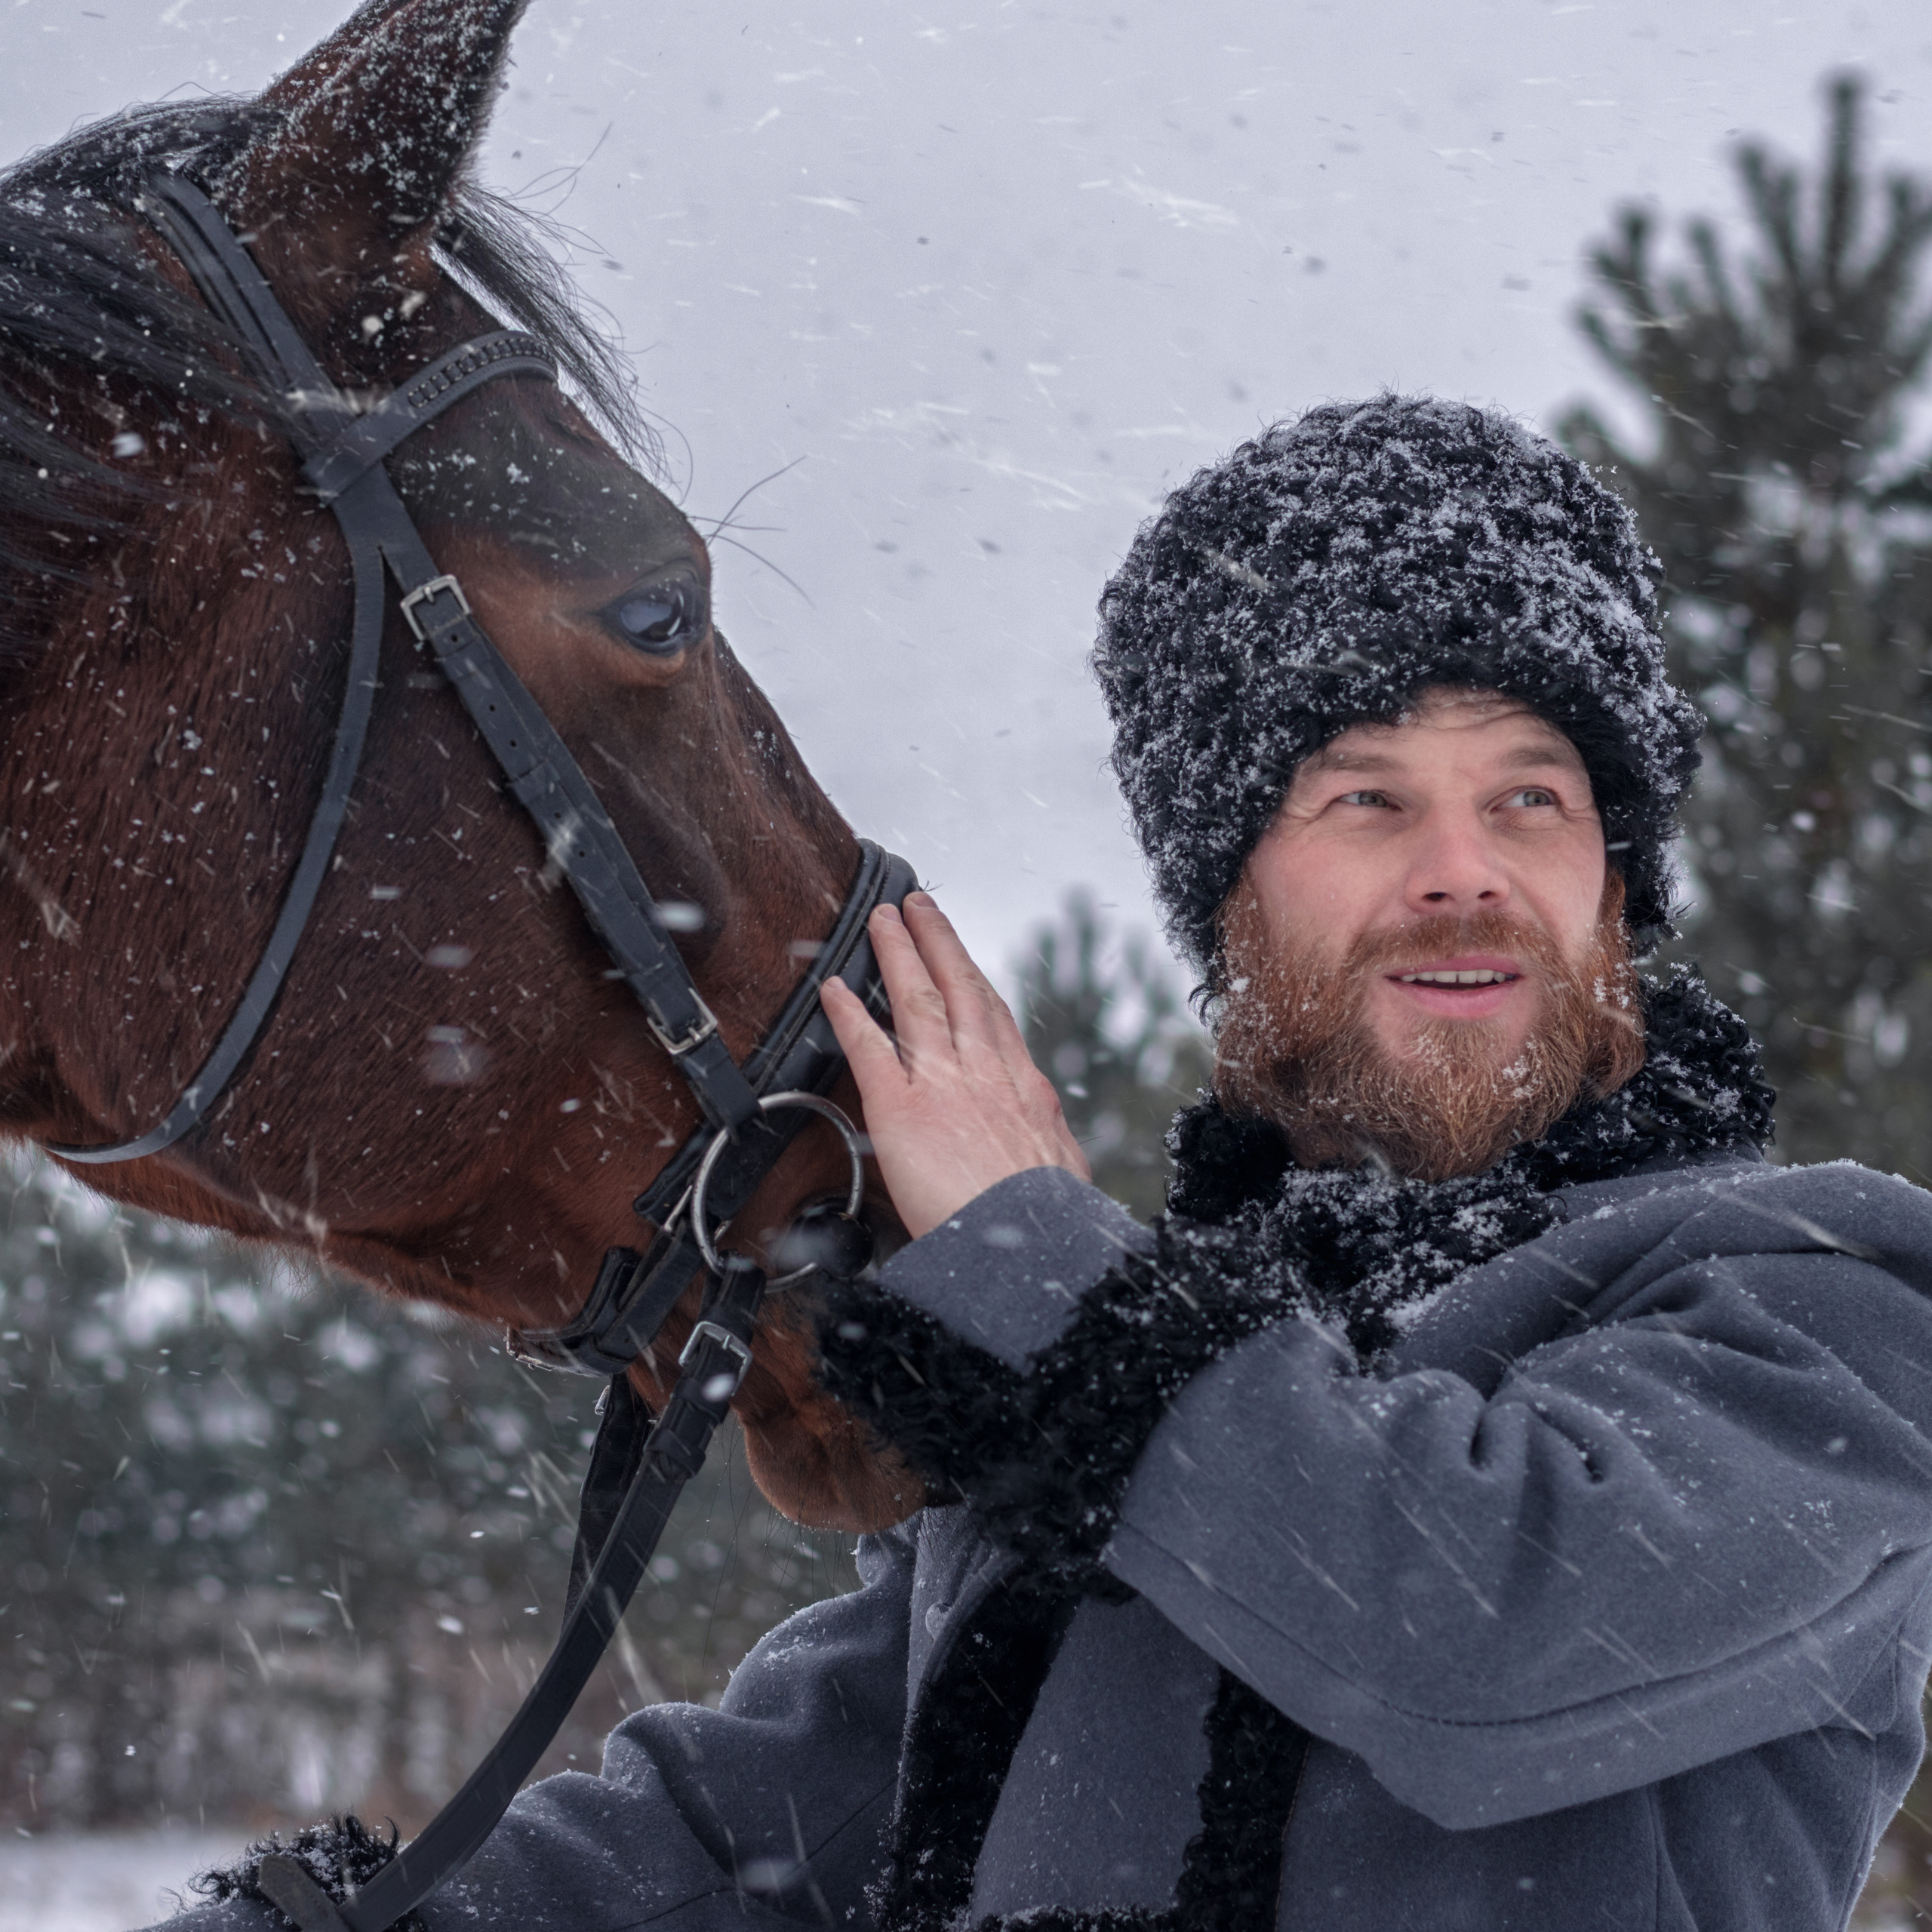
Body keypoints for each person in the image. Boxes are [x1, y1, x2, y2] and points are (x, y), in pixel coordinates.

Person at [156, 396, 1932, 1932]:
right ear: (1231, 908)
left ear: (1613, 885)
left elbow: (1467, 1629)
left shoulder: (1820, 1305)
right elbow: (758, 1838)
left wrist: (1037, 1254)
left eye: (1533, 797)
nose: (1461, 868)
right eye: (1365, 798)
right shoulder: (1137, 1383)